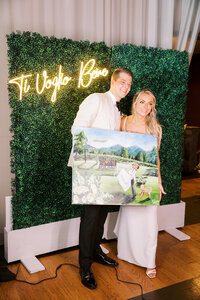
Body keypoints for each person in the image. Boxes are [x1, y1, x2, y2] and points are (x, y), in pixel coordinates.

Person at [71, 68, 133, 289]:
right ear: (113, 81)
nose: (126, 86)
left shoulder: (117, 112)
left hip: (108, 171)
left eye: (129, 84)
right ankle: (85, 267)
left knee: (101, 216)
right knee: (90, 218)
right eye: (123, 82)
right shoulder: (95, 99)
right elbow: (77, 129)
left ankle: (96, 251)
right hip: (90, 170)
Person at [114, 89, 166, 279]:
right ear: (135, 102)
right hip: (128, 177)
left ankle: (149, 261)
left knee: (149, 221)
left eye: (150, 103)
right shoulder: (123, 122)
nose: (146, 107)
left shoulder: (155, 127)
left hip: (148, 178)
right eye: (142, 102)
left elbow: (156, 157)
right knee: (129, 218)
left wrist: (159, 181)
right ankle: (127, 253)